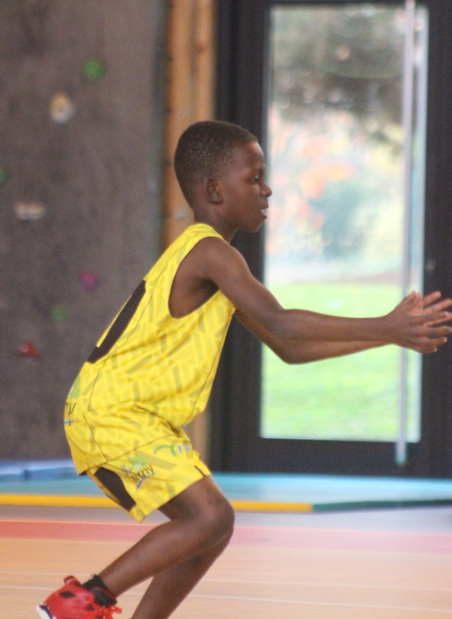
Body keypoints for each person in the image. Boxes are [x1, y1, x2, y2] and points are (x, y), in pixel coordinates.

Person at [37, 120, 452, 619]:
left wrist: (388, 336)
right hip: (112, 413)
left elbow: (287, 347)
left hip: (134, 416)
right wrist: (384, 324)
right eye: (254, 178)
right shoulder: (210, 251)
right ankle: (78, 603)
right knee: (210, 517)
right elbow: (282, 321)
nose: (267, 189)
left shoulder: (216, 261)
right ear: (215, 190)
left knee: (212, 527)